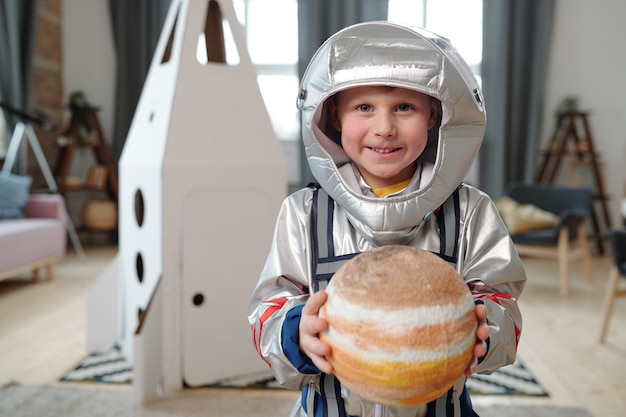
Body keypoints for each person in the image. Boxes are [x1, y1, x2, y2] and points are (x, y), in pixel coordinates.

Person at [248, 21, 526, 417]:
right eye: (364, 108)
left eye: (404, 107)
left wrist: (483, 329)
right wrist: (297, 333)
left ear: (434, 115)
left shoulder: (470, 213)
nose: (384, 128)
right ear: (333, 116)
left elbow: (505, 308)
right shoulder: (303, 213)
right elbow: (268, 311)